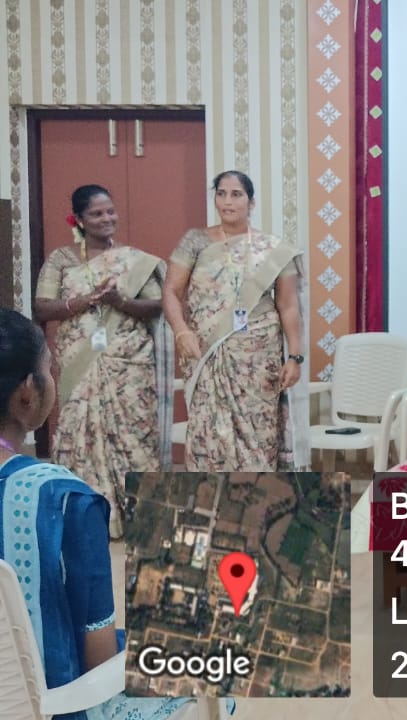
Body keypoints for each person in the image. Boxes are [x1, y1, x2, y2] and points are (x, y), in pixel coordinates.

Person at [0, 308, 232, 720]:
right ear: (26, 394)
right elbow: (100, 663)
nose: (54, 377)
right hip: (55, 707)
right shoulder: (65, 501)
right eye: (49, 368)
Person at [32, 185, 173, 539]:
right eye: (96, 214)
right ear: (79, 220)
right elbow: (42, 308)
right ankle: (86, 520)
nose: (106, 218)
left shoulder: (134, 260)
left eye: (110, 211)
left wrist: (119, 301)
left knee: (135, 436)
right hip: (80, 362)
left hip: (130, 363)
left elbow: (157, 305)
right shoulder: (62, 260)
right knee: (79, 432)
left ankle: (139, 519)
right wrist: (83, 301)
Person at [162, 171, 305, 471]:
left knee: (258, 437)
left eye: (236, 194)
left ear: (251, 203)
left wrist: (295, 356)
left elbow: (289, 305)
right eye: (221, 193)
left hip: (258, 361)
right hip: (207, 355)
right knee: (208, 437)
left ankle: (257, 497)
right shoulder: (195, 242)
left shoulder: (274, 249)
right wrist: (181, 331)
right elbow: (171, 291)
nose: (228, 201)